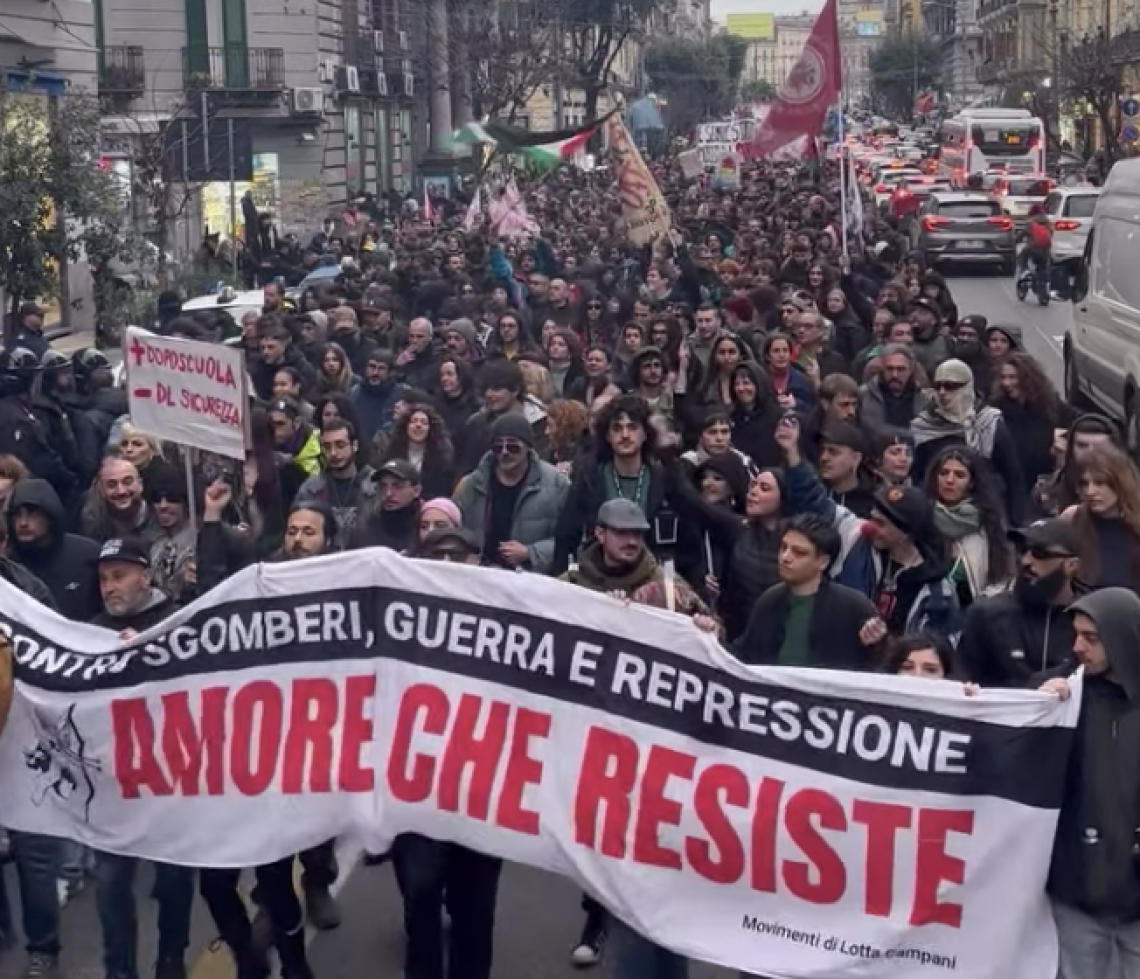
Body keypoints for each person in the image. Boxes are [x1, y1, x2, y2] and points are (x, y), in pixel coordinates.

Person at [559, 497, 719, 973]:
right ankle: (596, 916)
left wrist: (707, 626)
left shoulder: (668, 587)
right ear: (600, 534)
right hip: (595, 731)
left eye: (638, 534)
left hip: (654, 738)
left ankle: (652, 924)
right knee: (597, 835)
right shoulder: (570, 587)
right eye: (621, 532)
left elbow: (714, 636)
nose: (631, 541)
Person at [89, 538, 194, 979]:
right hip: (114, 784)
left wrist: (152, 653)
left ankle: (171, 956)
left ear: (144, 576)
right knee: (110, 882)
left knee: (172, 879)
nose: (109, 588)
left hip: (169, 780)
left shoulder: (177, 621)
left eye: (119, 576)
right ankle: (120, 969)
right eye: (102, 580)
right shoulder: (91, 632)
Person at [1039, 588, 1140, 979]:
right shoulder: (1062, 695)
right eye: (1076, 635)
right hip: (1077, 894)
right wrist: (1039, 710)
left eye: (1092, 638)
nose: (1078, 647)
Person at [732, 513, 886, 668]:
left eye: (799, 552)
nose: (785, 557)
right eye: (784, 547)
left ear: (823, 562)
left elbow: (878, 665)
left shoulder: (853, 607)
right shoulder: (769, 602)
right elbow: (743, 655)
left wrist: (878, 642)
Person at [955, 518, 1081, 687]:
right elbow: (960, 680)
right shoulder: (987, 615)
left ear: (1071, 565)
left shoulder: (1087, 621)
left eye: (1040, 553)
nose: (1026, 561)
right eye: (1022, 550)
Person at [452, 413, 569, 574]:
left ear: (528, 447)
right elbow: (455, 531)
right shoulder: (473, 483)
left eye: (513, 446)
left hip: (531, 579)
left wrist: (530, 552)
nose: (505, 452)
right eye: (498, 447)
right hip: (481, 575)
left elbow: (572, 540)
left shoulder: (557, 484)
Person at [6, 478, 101, 620]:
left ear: (49, 514)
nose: (23, 523)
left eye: (32, 513)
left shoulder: (88, 554)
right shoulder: (8, 566)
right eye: (17, 515)